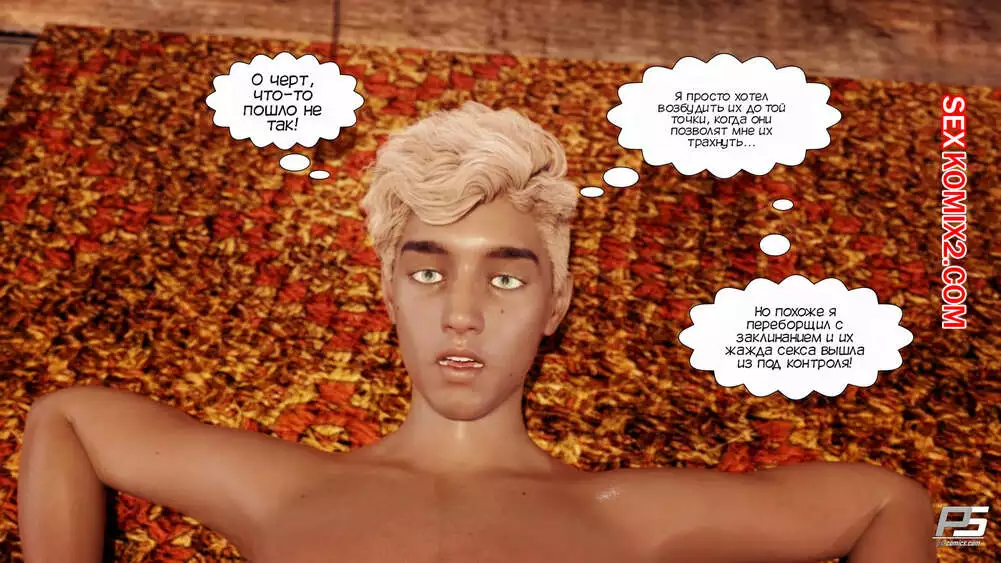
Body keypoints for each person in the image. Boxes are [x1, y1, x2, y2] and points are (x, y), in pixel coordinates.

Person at [18, 101, 936, 562]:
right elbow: (68, 417)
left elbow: (888, 502)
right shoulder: (283, 488)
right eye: (428, 271)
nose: (462, 311)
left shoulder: (628, 513)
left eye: (505, 275)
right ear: (387, 293)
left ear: (556, 304)